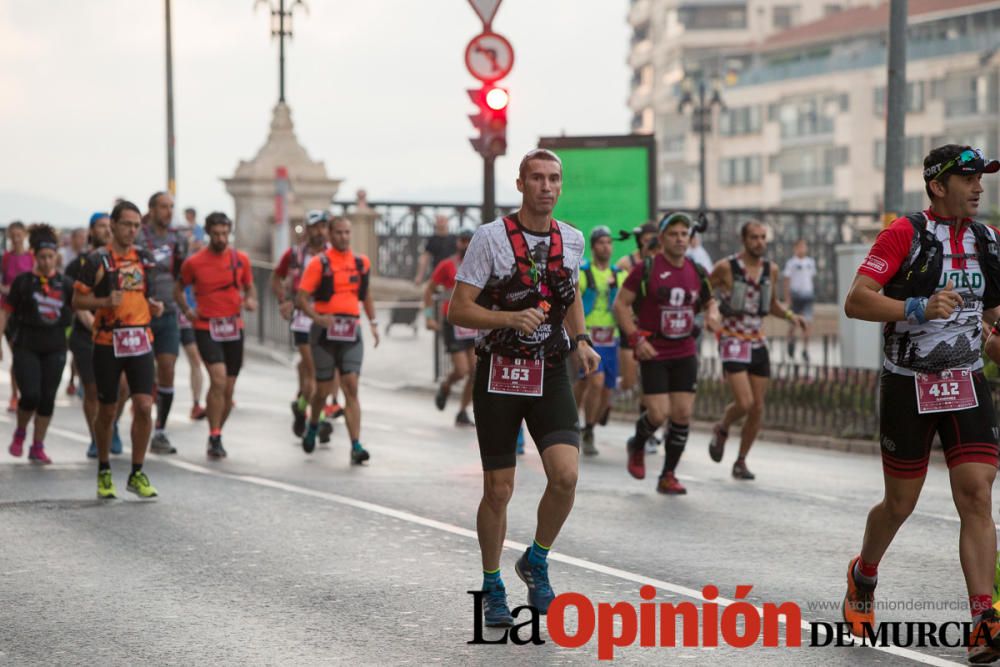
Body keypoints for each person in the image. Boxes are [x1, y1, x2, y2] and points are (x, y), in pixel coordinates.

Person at [842, 144, 1000, 660]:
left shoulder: (988, 240)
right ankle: (864, 575)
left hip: (966, 381)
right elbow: (858, 298)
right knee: (900, 504)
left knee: (976, 493)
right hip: (908, 384)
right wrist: (917, 306)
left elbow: (992, 315)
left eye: (982, 178)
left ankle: (983, 618)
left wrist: (993, 338)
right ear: (938, 185)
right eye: (969, 178)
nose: (979, 188)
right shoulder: (904, 234)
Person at [448, 148, 599, 627]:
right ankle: (493, 585)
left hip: (550, 368)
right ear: (520, 184)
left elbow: (568, 295)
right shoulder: (490, 239)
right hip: (499, 370)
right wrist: (509, 317)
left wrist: (582, 340)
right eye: (537, 178)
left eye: (554, 179)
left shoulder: (571, 240)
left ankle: (536, 558)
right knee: (499, 488)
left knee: (566, 475)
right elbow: (458, 309)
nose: (547, 187)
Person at [614, 213, 721, 494]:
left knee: (683, 413)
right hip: (654, 351)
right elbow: (621, 306)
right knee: (659, 414)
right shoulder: (647, 268)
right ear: (661, 239)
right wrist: (636, 339)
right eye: (673, 234)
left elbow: (710, 301)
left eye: (684, 234)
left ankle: (668, 475)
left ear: (690, 238)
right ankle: (636, 444)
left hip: (685, 349)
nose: (679, 239)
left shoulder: (697, 271)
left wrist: (712, 314)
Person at [72, 200, 163, 499]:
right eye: (127, 224)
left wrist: (156, 308)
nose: (132, 231)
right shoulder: (97, 261)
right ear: (112, 225)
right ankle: (104, 468)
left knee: (145, 405)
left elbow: (150, 296)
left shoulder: (145, 259)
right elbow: (78, 301)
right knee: (108, 409)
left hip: (140, 340)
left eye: (137, 225)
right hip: (107, 342)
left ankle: (137, 472)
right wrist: (102, 303)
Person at [706, 220, 805, 480]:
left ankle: (741, 461)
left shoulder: (770, 270)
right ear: (744, 240)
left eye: (763, 237)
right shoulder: (726, 267)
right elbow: (703, 290)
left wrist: (789, 315)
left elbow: (770, 303)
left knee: (757, 407)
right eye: (754, 237)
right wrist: (712, 311)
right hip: (732, 341)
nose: (759, 242)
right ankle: (723, 427)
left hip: (757, 341)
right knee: (745, 402)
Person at [295, 217, 378, 461]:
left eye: (347, 232)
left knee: (351, 386)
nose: (344, 237)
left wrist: (373, 324)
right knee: (322, 390)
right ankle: (312, 424)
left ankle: (356, 446)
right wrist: (317, 317)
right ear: (330, 235)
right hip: (324, 332)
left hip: (351, 330)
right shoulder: (318, 263)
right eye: (339, 233)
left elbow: (367, 294)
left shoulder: (361, 263)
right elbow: (301, 298)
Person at [176, 212, 257, 459]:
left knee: (229, 389)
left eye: (225, 233)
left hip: (233, 326)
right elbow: (178, 289)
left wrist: (251, 299)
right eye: (217, 233)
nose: (221, 238)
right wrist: (188, 311)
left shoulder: (240, 259)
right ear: (209, 232)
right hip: (206, 327)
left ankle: (218, 432)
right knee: (218, 379)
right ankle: (213, 434)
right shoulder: (194, 262)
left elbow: (249, 285)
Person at [0, 224, 75, 463]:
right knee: (30, 395)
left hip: (55, 347)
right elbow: (6, 312)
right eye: (41, 257)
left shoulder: (65, 284)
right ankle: (21, 432)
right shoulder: (23, 283)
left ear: (56, 257)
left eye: (50, 257)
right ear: (35, 256)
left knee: (47, 398)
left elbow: (80, 311)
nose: (45, 261)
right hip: (26, 345)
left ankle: (38, 445)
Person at [66, 213, 127, 458]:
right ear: (92, 230)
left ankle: (111, 423)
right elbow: (76, 303)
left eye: (108, 226)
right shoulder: (80, 263)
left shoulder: (122, 260)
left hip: (118, 333)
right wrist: (93, 324)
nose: (106, 230)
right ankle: (95, 436)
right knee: (92, 389)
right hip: (86, 334)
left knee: (123, 388)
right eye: (101, 226)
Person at [272, 210, 334, 439]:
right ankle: (320, 418)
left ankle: (302, 407)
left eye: (324, 227)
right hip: (302, 319)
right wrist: (283, 301)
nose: (320, 232)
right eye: (316, 227)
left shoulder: (334, 254)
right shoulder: (295, 254)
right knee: (313, 371)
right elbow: (276, 277)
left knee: (326, 372)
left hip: (326, 317)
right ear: (307, 229)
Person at [136, 191, 188, 455]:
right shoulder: (138, 237)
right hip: (140, 315)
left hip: (168, 313)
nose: (168, 212)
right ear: (152, 209)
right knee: (133, 378)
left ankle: (160, 430)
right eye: (164, 207)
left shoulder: (178, 238)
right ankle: (121, 422)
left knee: (167, 367)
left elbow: (186, 272)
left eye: (171, 207)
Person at [574, 226, 628, 456]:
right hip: (589, 337)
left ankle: (589, 425)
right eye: (601, 242)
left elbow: (629, 304)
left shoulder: (620, 275)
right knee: (594, 382)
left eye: (609, 242)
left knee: (606, 390)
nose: (606, 246)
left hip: (611, 338)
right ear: (593, 246)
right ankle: (579, 424)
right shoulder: (584, 272)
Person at [614, 222, 660, 450]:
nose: (650, 242)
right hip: (630, 327)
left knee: (648, 383)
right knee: (631, 381)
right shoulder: (626, 264)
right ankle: (612, 388)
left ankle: (647, 431)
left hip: (651, 330)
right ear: (640, 239)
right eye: (647, 238)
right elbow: (618, 297)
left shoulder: (663, 264)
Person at [424, 227, 476, 427]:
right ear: (458, 243)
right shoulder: (447, 265)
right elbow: (428, 291)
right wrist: (429, 317)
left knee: (475, 371)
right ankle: (446, 385)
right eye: (463, 241)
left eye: (469, 241)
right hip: (452, 321)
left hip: (472, 321)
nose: (466, 245)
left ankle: (463, 411)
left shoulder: (479, 265)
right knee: (462, 370)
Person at [1, 221, 33, 412]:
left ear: (25, 235)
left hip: (28, 311)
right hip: (10, 311)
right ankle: (15, 394)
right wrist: (7, 290)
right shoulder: (5, 258)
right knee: (17, 355)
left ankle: (29, 392)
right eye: (12, 235)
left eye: (18, 235)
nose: (15, 238)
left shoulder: (32, 257)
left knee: (27, 355)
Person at [783, 239, 817, 363]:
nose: (802, 249)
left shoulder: (810, 262)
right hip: (795, 296)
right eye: (800, 247)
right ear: (795, 248)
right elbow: (786, 280)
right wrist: (787, 298)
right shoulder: (791, 263)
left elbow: (811, 278)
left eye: (804, 246)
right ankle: (791, 343)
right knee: (793, 322)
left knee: (807, 323)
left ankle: (805, 350)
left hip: (807, 296)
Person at [178, 286, 206, 420]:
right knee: (164, 363)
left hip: (188, 320)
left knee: (195, 360)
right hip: (167, 316)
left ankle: (196, 404)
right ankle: (152, 390)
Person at [414, 214, 457, 284]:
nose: (441, 223)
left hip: (452, 275)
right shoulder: (432, 239)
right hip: (436, 273)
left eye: (443, 220)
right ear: (436, 223)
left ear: (447, 222)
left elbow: (459, 256)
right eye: (439, 221)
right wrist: (419, 276)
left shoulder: (454, 239)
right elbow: (425, 258)